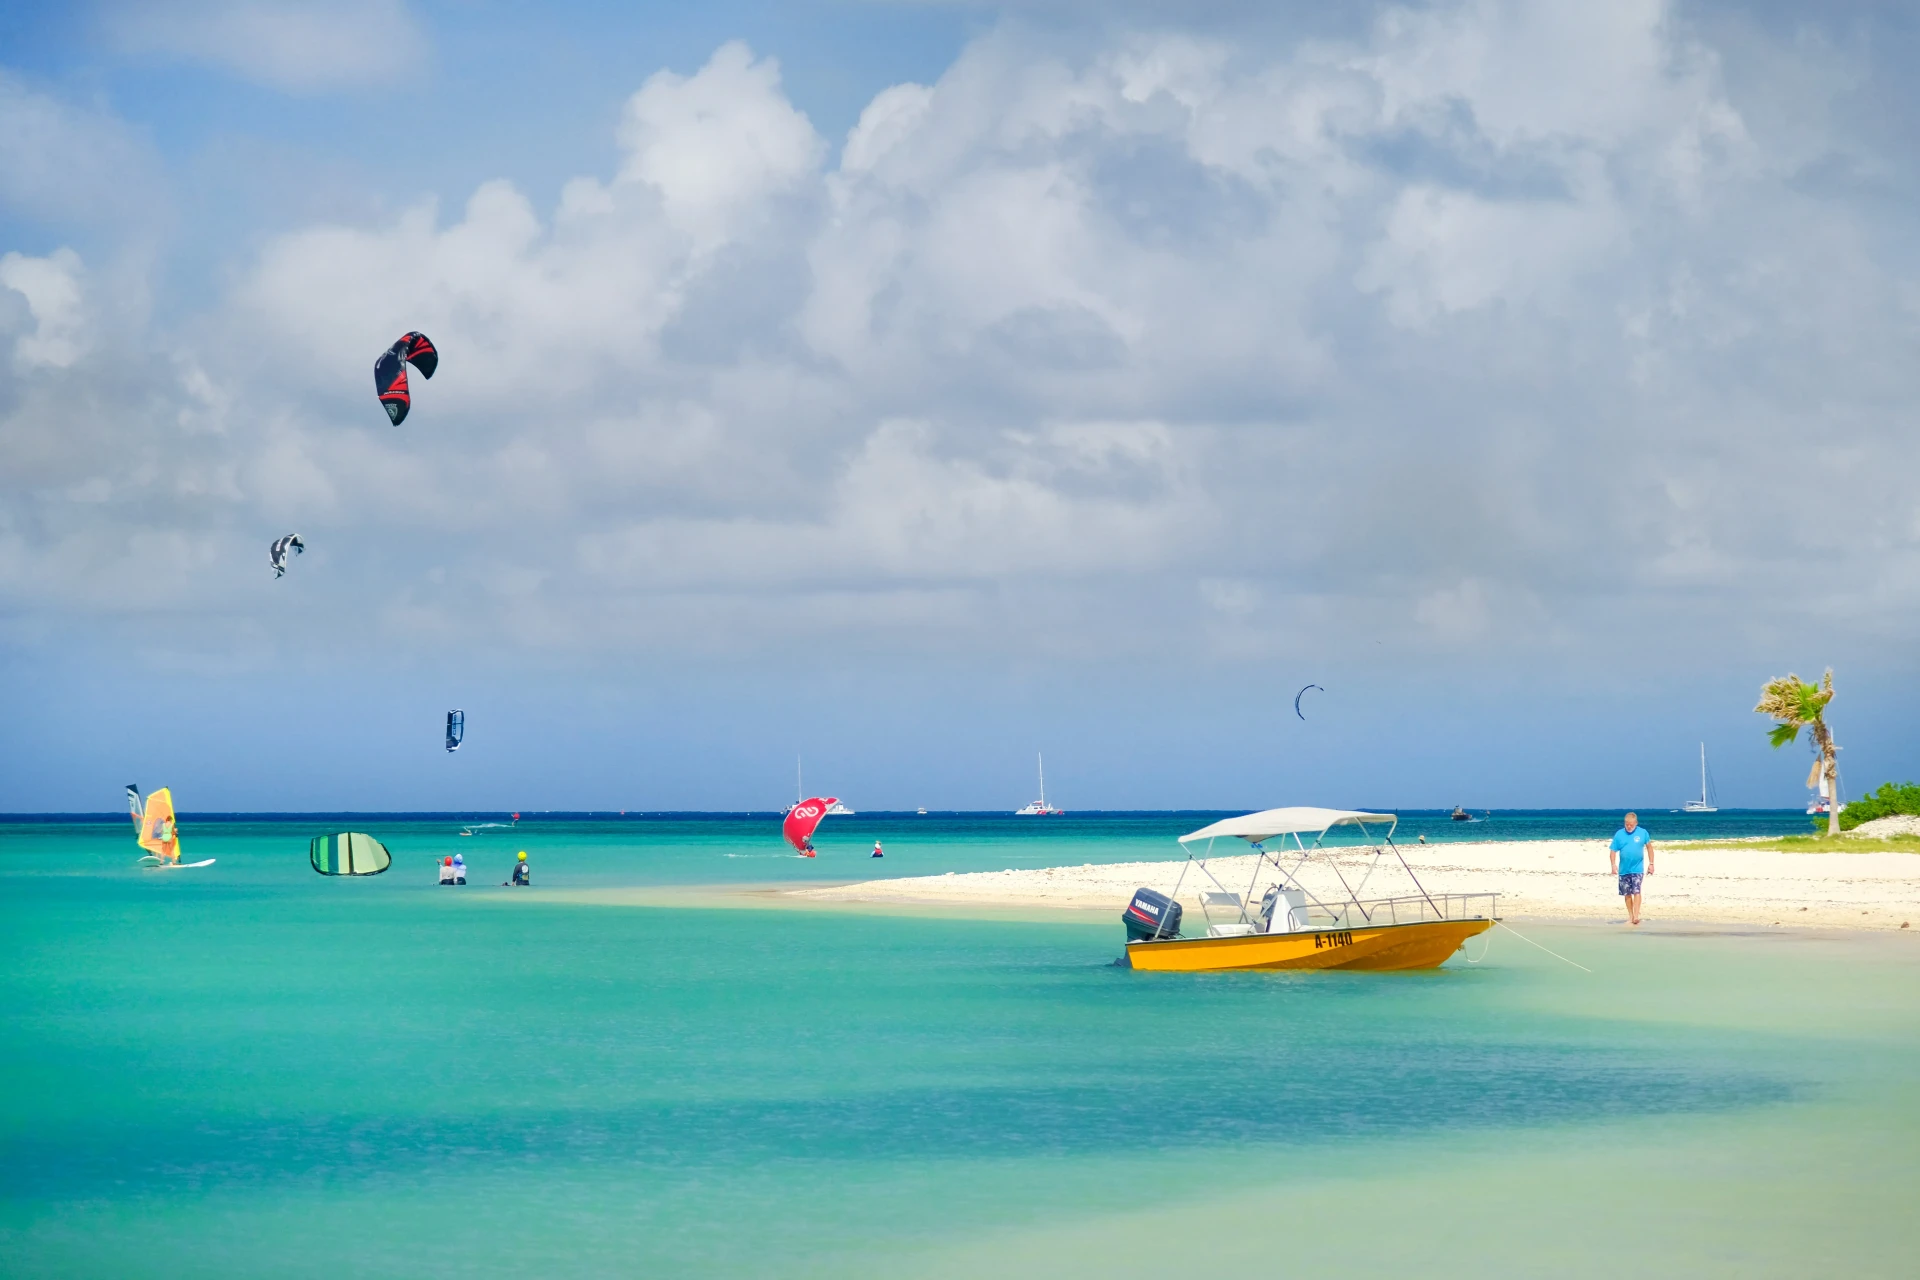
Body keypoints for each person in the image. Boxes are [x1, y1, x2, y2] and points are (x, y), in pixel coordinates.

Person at [1608, 812, 1654, 926]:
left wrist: (1651, 863)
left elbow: (1649, 847)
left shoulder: (1642, 833)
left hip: (1637, 869)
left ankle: (1636, 916)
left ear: (1636, 823)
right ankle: (1630, 916)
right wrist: (1613, 865)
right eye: (1627, 824)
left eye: (1631, 824)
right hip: (1624, 870)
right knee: (1627, 894)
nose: (1629, 827)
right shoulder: (1619, 834)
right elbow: (1613, 851)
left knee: (1637, 891)